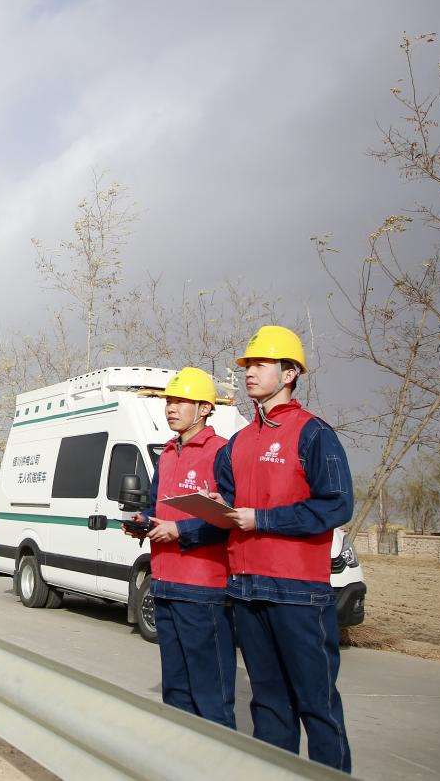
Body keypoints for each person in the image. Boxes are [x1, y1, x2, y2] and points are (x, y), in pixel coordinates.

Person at [213, 325, 353, 772]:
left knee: (317, 705)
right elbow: (236, 505)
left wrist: (263, 518)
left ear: (290, 372)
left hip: (297, 591)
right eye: (246, 366)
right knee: (269, 706)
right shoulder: (238, 441)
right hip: (247, 589)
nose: (248, 373)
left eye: (259, 364)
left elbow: (335, 505)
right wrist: (222, 508)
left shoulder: (314, 434)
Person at [126, 366, 236, 728]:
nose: (170, 408)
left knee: (210, 694)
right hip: (166, 583)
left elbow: (227, 519)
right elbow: (155, 504)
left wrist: (180, 530)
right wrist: (143, 521)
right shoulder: (167, 454)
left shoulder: (222, 453)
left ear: (204, 408)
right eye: (168, 401)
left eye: (180, 401)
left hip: (203, 589)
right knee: (175, 692)